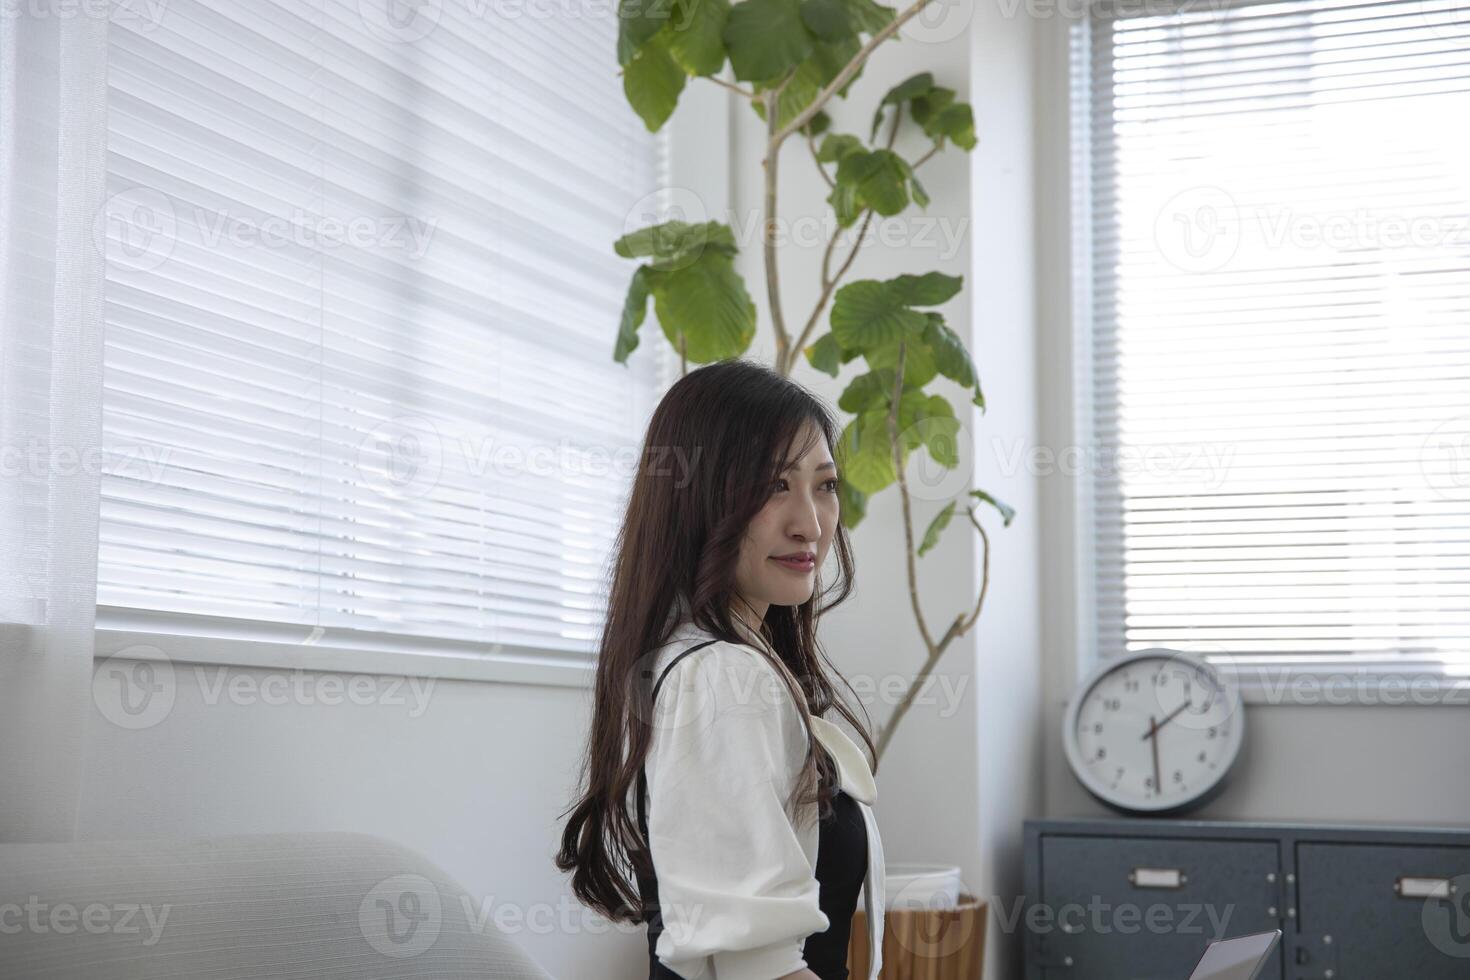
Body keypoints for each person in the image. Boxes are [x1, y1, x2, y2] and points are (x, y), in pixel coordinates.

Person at [556, 358, 886, 980]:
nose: (810, 524)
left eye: (825, 484)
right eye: (772, 486)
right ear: (699, 500)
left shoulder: (707, 658)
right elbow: (758, 968)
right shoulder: (721, 676)